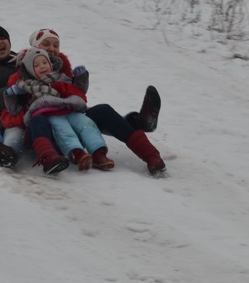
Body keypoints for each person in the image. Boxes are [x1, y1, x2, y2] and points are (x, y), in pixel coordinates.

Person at [27, 28, 166, 176]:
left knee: (103, 111)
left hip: (71, 119)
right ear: (35, 47)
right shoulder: (24, 71)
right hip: (45, 133)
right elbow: (13, 106)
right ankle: (50, 158)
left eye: (56, 45)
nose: (52, 49)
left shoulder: (63, 68)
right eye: (46, 44)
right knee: (39, 120)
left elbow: (78, 96)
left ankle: (151, 155)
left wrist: (79, 81)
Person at [0, 25, 70, 174]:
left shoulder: (25, 58)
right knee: (15, 133)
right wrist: (11, 92)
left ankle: (114, 125)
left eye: (2, 38)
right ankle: (8, 154)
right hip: (13, 116)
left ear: (9, 41)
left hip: (41, 108)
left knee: (76, 115)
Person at [2, 47, 114, 171]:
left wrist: (80, 77)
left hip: (70, 109)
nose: (43, 66)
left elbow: (77, 90)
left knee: (88, 125)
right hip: (50, 113)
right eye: (37, 65)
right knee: (64, 131)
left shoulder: (61, 77)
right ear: (30, 70)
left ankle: (99, 154)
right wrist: (10, 93)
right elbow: (13, 108)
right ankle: (77, 154)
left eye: (45, 63)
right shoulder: (28, 85)